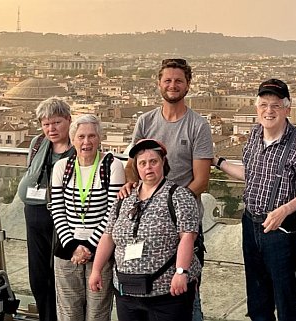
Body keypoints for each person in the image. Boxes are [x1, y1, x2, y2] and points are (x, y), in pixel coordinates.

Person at [214, 79, 296, 321]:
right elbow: (251, 174)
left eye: (276, 106)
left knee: (286, 301)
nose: (269, 111)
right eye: (264, 105)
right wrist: (219, 163)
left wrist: (283, 211)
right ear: (257, 107)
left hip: (282, 230)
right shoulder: (255, 133)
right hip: (250, 224)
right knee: (257, 299)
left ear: (287, 109)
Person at [122, 58, 213, 320]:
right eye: (168, 80)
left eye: (178, 81)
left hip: (182, 223)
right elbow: (132, 166)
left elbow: (201, 180)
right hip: (145, 224)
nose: (172, 85)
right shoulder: (145, 121)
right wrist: (130, 183)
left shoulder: (198, 126)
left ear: (188, 85)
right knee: (145, 289)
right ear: (159, 84)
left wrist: (167, 206)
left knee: (185, 291)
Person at [90, 139, 201, 321]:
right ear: (136, 168)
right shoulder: (125, 197)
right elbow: (108, 236)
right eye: (142, 163)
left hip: (166, 295)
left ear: (163, 163)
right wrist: (96, 270)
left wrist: (181, 272)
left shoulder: (179, 196)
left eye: (153, 162)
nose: (148, 167)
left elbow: (187, 236)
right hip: (127, 292)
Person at [49, 114, 126, 321]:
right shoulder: (61, 167)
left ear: (99, 138)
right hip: (67, 251)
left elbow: (113, 212)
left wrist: (90, 248)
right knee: (68, 313)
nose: (86, 142)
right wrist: (74, 246)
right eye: (81, 136)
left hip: (101, 251)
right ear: (73, 139)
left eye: (92, 136)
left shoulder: (112, 166)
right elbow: (57, 209)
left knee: (98, 314)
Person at [16, 97, 75, 321]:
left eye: (57, 122)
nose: (51, 128)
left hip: (64, 217)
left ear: (69, 121)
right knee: (38, 276)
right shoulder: (37, 143)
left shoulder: (78, 146)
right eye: (46, 123)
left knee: (60, 275)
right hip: (34, 213)